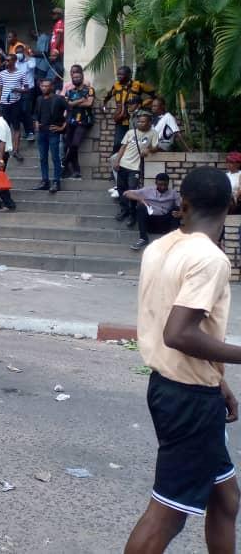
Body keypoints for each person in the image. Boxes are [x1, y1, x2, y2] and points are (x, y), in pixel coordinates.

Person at [124, 167, 239, 554]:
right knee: (166, 516)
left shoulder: (160, 247)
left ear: (182, 204)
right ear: (232, 204)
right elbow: (179, 334)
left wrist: (219, 381)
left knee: (226, 499)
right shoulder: (211, 259)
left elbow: (167, 327)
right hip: (189, 401)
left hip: (175, 388)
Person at [112, 111, 160, 228]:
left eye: (143, 122)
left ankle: (133, 215)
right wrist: (117, 161)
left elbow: (156, 147)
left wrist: (149, 150)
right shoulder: (130, 132)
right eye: (139, 121)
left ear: (149, 122)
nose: (140, 123)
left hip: (135, 168)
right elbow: (123, 147)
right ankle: (124, 210)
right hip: (123, 164)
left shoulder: (153, 133)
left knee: (132, 191)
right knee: (121, 189)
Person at [102, 66, 155, 153]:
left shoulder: (138, 85)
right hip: (121, 119)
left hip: (135, 119)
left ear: (128, 75)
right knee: (117, 143)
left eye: (121, 74)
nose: (119, 76)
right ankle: (114, 163)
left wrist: (142, 104)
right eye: (118, 74)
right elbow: (107, 97)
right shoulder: (116, 86)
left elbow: (153, 94)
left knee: (133, 144)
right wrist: (104, 107)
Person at [123, 173, 182, 251]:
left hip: (165, 223)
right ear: (156, 183)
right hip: (151, 222)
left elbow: (183, 207)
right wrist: (141, 199)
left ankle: (172, 240)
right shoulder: (147, 190)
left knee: (176, 209)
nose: (163, 187)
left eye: (165, 185)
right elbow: (126, 193)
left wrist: (180, 213)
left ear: (168, 183)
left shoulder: (174, 193)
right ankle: (143, 239)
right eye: (160, 184)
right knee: (141, 207)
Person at [33, 78, 68, 193]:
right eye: (42, 86)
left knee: (55, 157)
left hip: (53, 132)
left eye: (47, 86)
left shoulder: (58, 99)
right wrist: (37, 123)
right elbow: (36, 114)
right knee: (43, 158)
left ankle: (56, 182)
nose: (44, 88)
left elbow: (71, 111)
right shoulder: (39, 99)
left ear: (51, 87)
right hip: (42, 132)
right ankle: (45, 181)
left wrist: (63, 126)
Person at [61, 65, 95, 180]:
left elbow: (89, 103)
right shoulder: (70, 91)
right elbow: (67, 104)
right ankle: (76, 171)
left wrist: (73, 103)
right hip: (71, 120)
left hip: (84, 121)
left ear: (82, 77)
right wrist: (81, 100)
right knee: (68, 145)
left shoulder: (89, 89)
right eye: (73, 78)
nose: (75, 79)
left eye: (78, 77)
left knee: (75, 144)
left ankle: (64, 163)